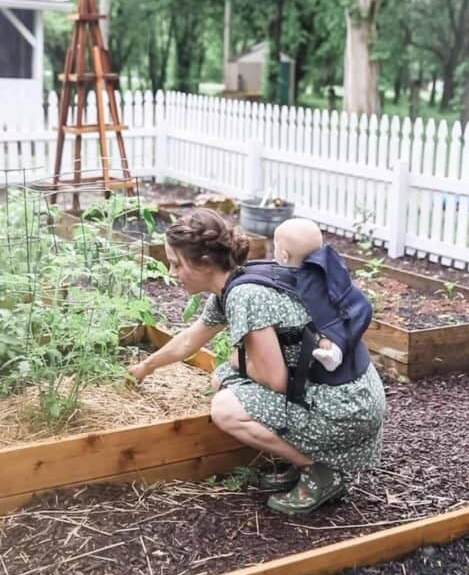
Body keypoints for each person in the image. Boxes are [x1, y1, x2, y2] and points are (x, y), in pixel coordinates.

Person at [129, 209, 385, 516]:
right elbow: (189, 339)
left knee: (225, 408)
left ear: (205, 263)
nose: (172, 273)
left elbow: (275, 379)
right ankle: (303, 459)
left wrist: (238, 363)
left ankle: (319, 471)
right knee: (221, 378)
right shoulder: (238, 281)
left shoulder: (245, 297)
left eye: (176, 263)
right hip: (349, 390)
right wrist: (146, 367)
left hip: (345, 407)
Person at [273, 217, 364, 372]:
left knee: (327, 339)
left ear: (285, 255)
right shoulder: (328, 264)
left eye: (275, 246)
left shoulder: (304, 281)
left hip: (328, 325)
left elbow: (314, 311)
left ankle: (333, 356)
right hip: (352, 310)